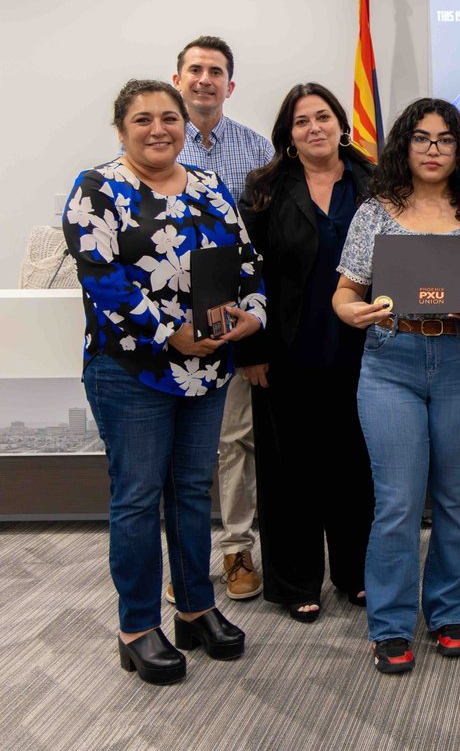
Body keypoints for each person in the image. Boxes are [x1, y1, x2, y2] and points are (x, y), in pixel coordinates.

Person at [63, 79, 266, 684]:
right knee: (137, 498)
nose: (159, 128)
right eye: (143, 118)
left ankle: (196, 609)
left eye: (169, 118)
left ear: (185, 124)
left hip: (207, 368)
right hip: (133, 369)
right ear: (121, 127)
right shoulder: (98, 188)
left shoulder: (208, 186)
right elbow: (101, 277)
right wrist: (169, 332)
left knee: (191, 494)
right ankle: (137, 627)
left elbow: (247, 263)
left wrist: (251, 313)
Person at [333, 98, 460, 675]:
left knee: (456, 499)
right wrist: (354, 314)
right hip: (391, 361)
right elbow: (344, 294)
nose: (433, 149)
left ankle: (450, 613)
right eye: (421, 138)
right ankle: (389, 625)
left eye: (445, 140)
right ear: (403, 147)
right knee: (399, 502)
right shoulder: (375, 212)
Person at [238, 84, 376, 623]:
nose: (314, 127)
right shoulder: (267, 188)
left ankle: (356, 573)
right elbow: (246, 272)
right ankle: (296, 579)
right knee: (289, 472)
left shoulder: (375, 182)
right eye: (302, 121)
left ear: (342, 124)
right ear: (289, 135)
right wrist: (249, 349)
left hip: (364, 351)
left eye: (323, 117)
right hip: (287, 354)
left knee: (355, 468)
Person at [172, 35, 274, 603]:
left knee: (235, 439)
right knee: (178, 454)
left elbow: (262, 244)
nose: (205, 79)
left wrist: (253, 325)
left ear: (230, 86)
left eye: (216, 72)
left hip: (234, 320)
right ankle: (183, 563)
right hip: (169, 330)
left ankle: (237, 550)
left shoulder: (257, 150)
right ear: (179, 77)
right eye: (195, 70)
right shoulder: (158, 141)